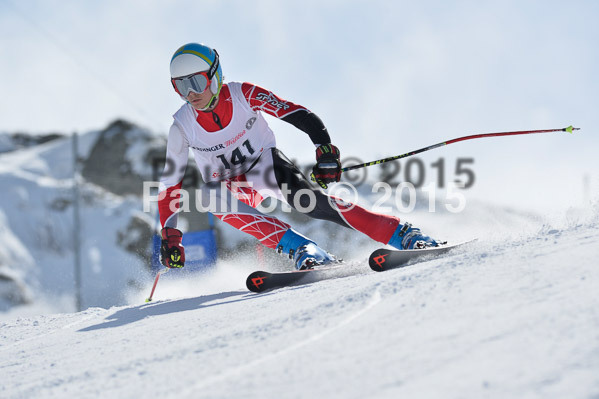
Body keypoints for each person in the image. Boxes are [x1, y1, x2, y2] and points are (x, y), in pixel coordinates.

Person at [158, 43, 440, 270]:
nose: (191, 93)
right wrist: (169, 234)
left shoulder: (243, 94)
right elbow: (170, 184)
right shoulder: (181, 127)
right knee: (210, 198)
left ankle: (400, 233)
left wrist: (325, 149)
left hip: (263, 167)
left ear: (215, 75)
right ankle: (304, 248)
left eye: (197, 81)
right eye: (181, 86)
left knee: (308, 201)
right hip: (229, 187)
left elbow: (296, 114)